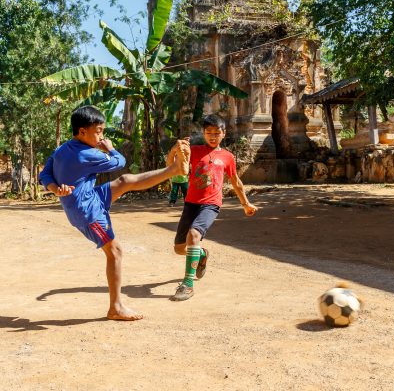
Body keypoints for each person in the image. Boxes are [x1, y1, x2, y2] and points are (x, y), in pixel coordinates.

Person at [39, 105, 189, 321]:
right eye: (98, 131)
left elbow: (44, 175)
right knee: (115, 252)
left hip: (90, 196)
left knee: (125, 181)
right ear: (82, 132)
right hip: (87, 213)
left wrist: (56, 190)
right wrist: (109, 148)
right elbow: (120, 162)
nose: (102, 136)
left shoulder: (61, 150)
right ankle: (115, 307)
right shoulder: (88, 154)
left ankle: (173, 170)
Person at [170, 114, 258, 302]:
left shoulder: (227, 157)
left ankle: (187, 284)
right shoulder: (193, 151)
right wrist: (176, 149)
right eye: (208, 132)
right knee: (179, 248)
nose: (212, 136)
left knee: (193, 235)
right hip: (191, 203)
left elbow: (236, 181)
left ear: (223, 134)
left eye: (216, 133)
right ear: (203, 133)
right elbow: (173, 166)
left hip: (211, 204)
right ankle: (201, 254)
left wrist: (245, 204)